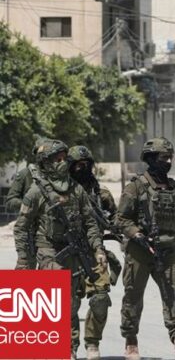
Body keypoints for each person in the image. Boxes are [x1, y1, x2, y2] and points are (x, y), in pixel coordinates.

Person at [13, 139, 105, 360]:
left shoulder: (77, 190)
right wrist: (24, 260)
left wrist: (98, 248)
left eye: (64, 159)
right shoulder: (36, 192)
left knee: (71, 303)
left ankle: (68, 346)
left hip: (73, 249)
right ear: (45, 163)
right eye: (57, 159)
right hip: (48, 249)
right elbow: (21, 228)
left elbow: (90, 223)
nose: (62, 163)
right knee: (57, 296)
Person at [115, 137, 175, 360]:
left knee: (173, 297)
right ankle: (131, 343)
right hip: (141, 252)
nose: (168, 162)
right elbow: (121, 218)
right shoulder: (136, 187)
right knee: (133, 298)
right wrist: (136, 234)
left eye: (170, 157)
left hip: (168, 251)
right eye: (163, 158)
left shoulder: (174, 187)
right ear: (151, 159)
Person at [69, 145, 122, 360]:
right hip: (68, 253)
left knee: (100, 299)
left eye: (86, 164)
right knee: (68, 303)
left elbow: (116, 217)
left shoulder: (101, 194)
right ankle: (69, 346)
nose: (82, 168)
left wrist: (116, 227)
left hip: (95, 253)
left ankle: (92, 343)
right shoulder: (61, 193)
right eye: (77, 165)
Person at [7, 138, 49, 269]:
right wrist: (30, 205)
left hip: (51, 233)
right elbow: (10, 201)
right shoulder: (26, 174)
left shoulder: (59, 175)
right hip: (30, 231)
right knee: (26, 271)